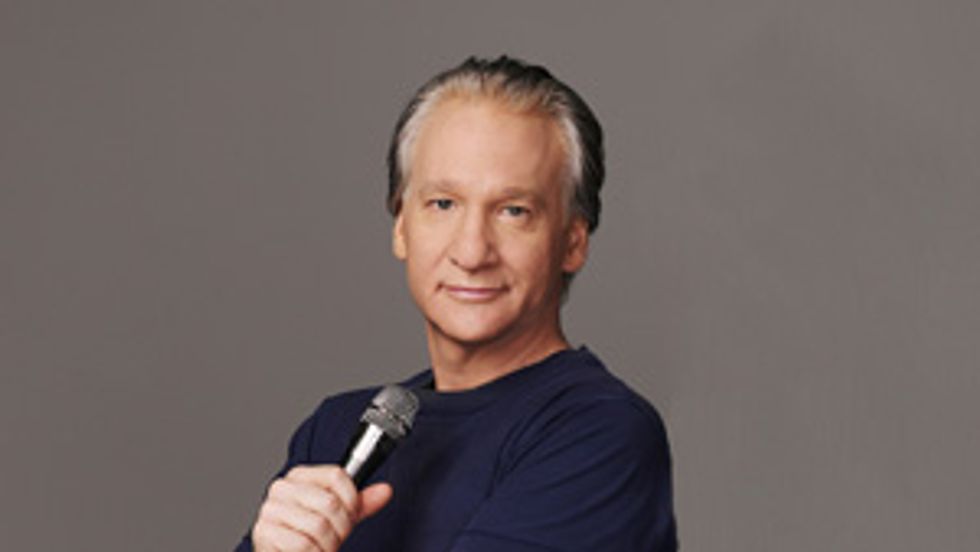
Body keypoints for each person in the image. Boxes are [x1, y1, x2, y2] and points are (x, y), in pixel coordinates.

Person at [236, 55, 678, 551]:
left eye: (513, 211)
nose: (471, 252)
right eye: (443, 204)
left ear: (572, 242)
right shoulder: (335, 432)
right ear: (401, 227)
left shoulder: (601, 434)